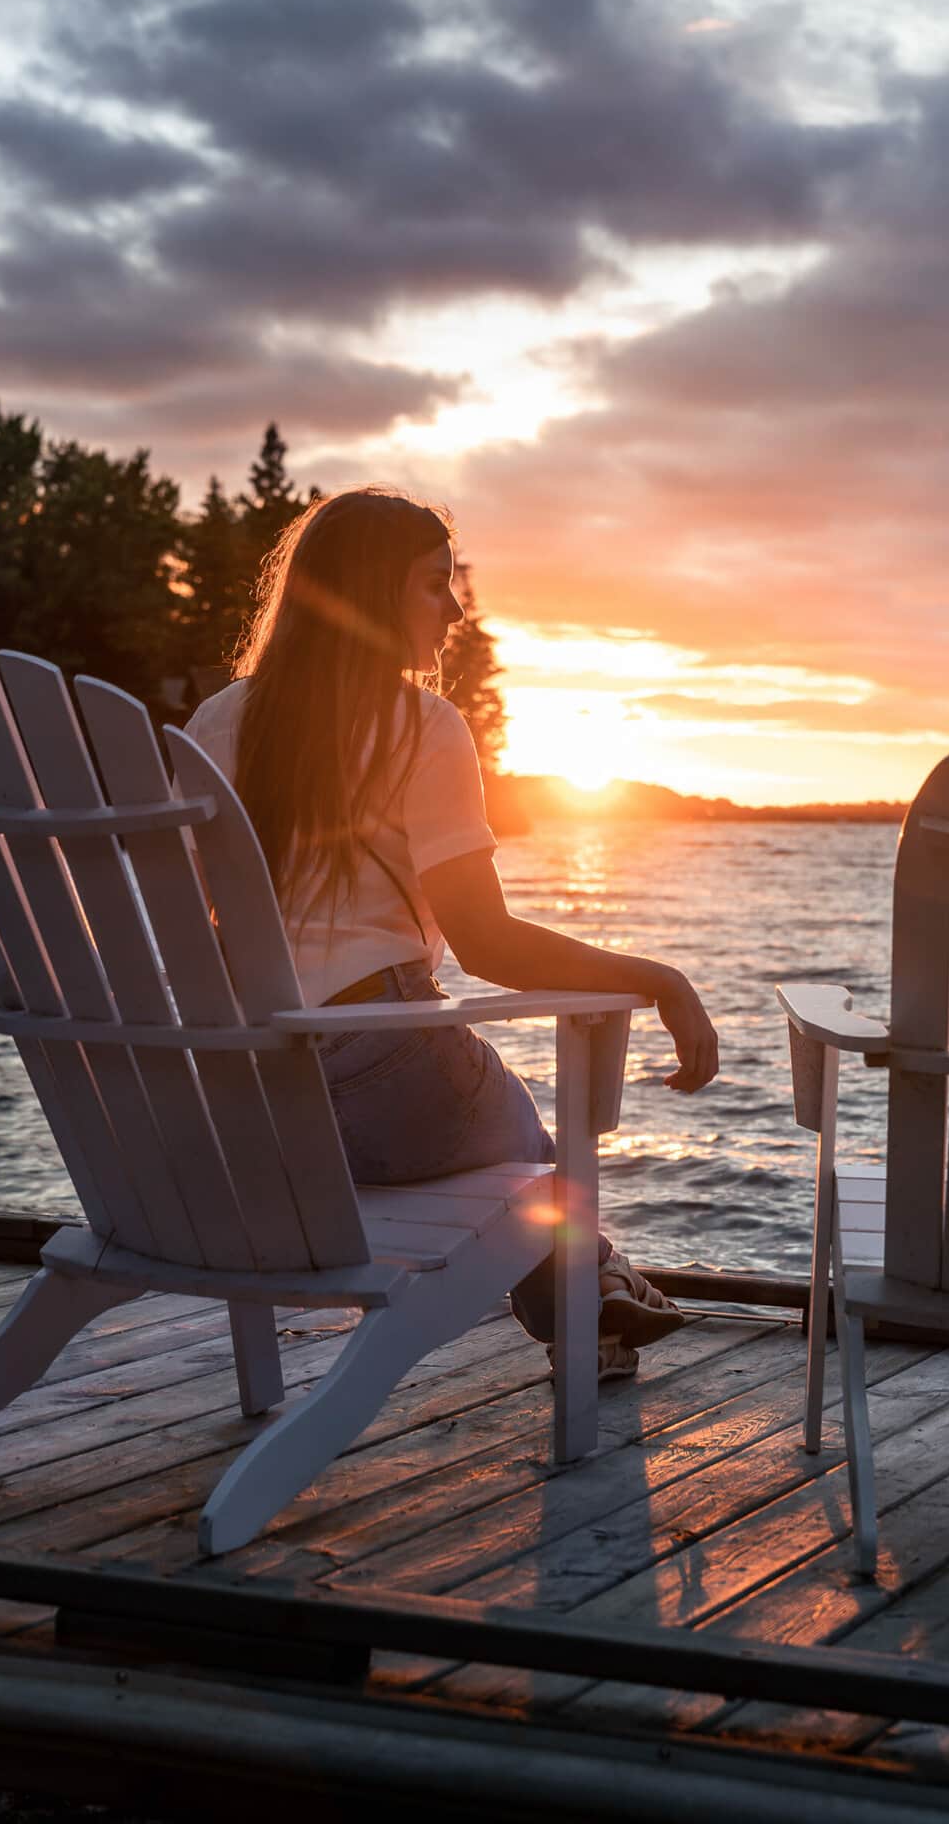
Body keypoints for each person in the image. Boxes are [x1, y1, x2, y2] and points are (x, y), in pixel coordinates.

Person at [183, 486, 719, 1378]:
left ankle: (595, 1287)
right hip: (388, 1078)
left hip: (247, 1100)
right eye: (435, 584)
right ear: (371, 593)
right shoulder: (420, 727)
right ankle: (590, 1296)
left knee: (512, 1133)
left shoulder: (217, 724)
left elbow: (192, 931)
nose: (455, 608)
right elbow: (488, 945)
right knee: (535, 1157)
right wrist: (659, 976)